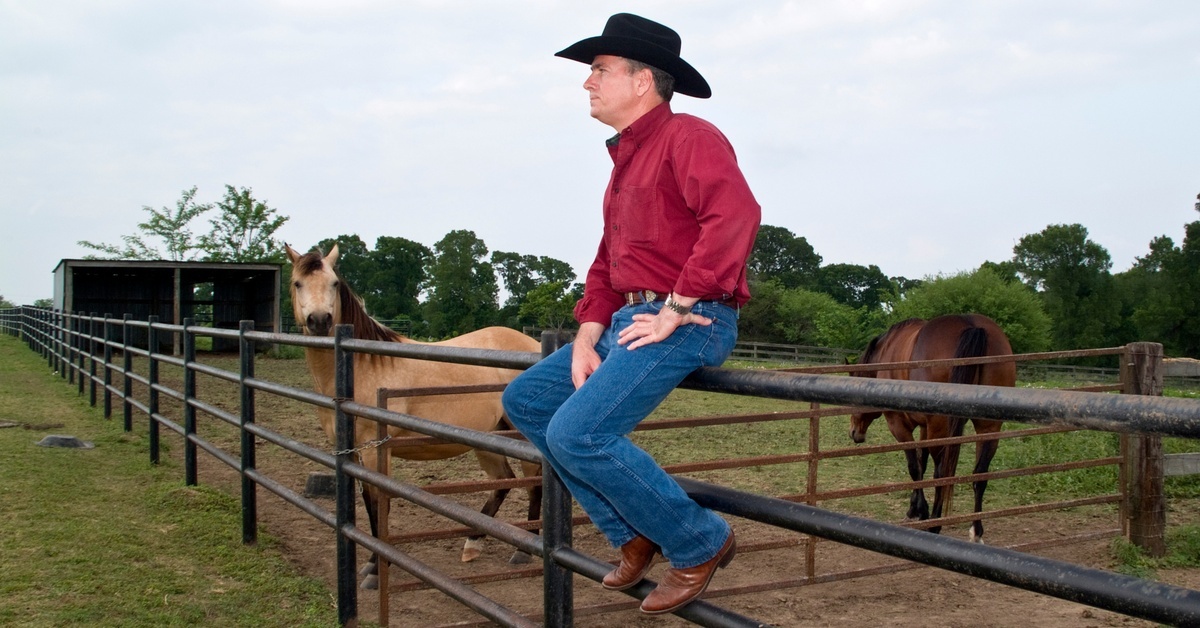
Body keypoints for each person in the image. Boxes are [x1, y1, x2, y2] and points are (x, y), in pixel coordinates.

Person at [502, 13, 761, 615]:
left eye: (599, 70)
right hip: (628, 323)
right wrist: (588, 335)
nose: (587, 82)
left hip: (693, 321)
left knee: (578, 432)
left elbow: (736, 218)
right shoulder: (625, 160)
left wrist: (676, 306)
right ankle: (633, 533)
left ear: (643, 81)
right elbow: (608, 260)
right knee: (529, 401)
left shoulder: (691, 137)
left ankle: (700, 540)